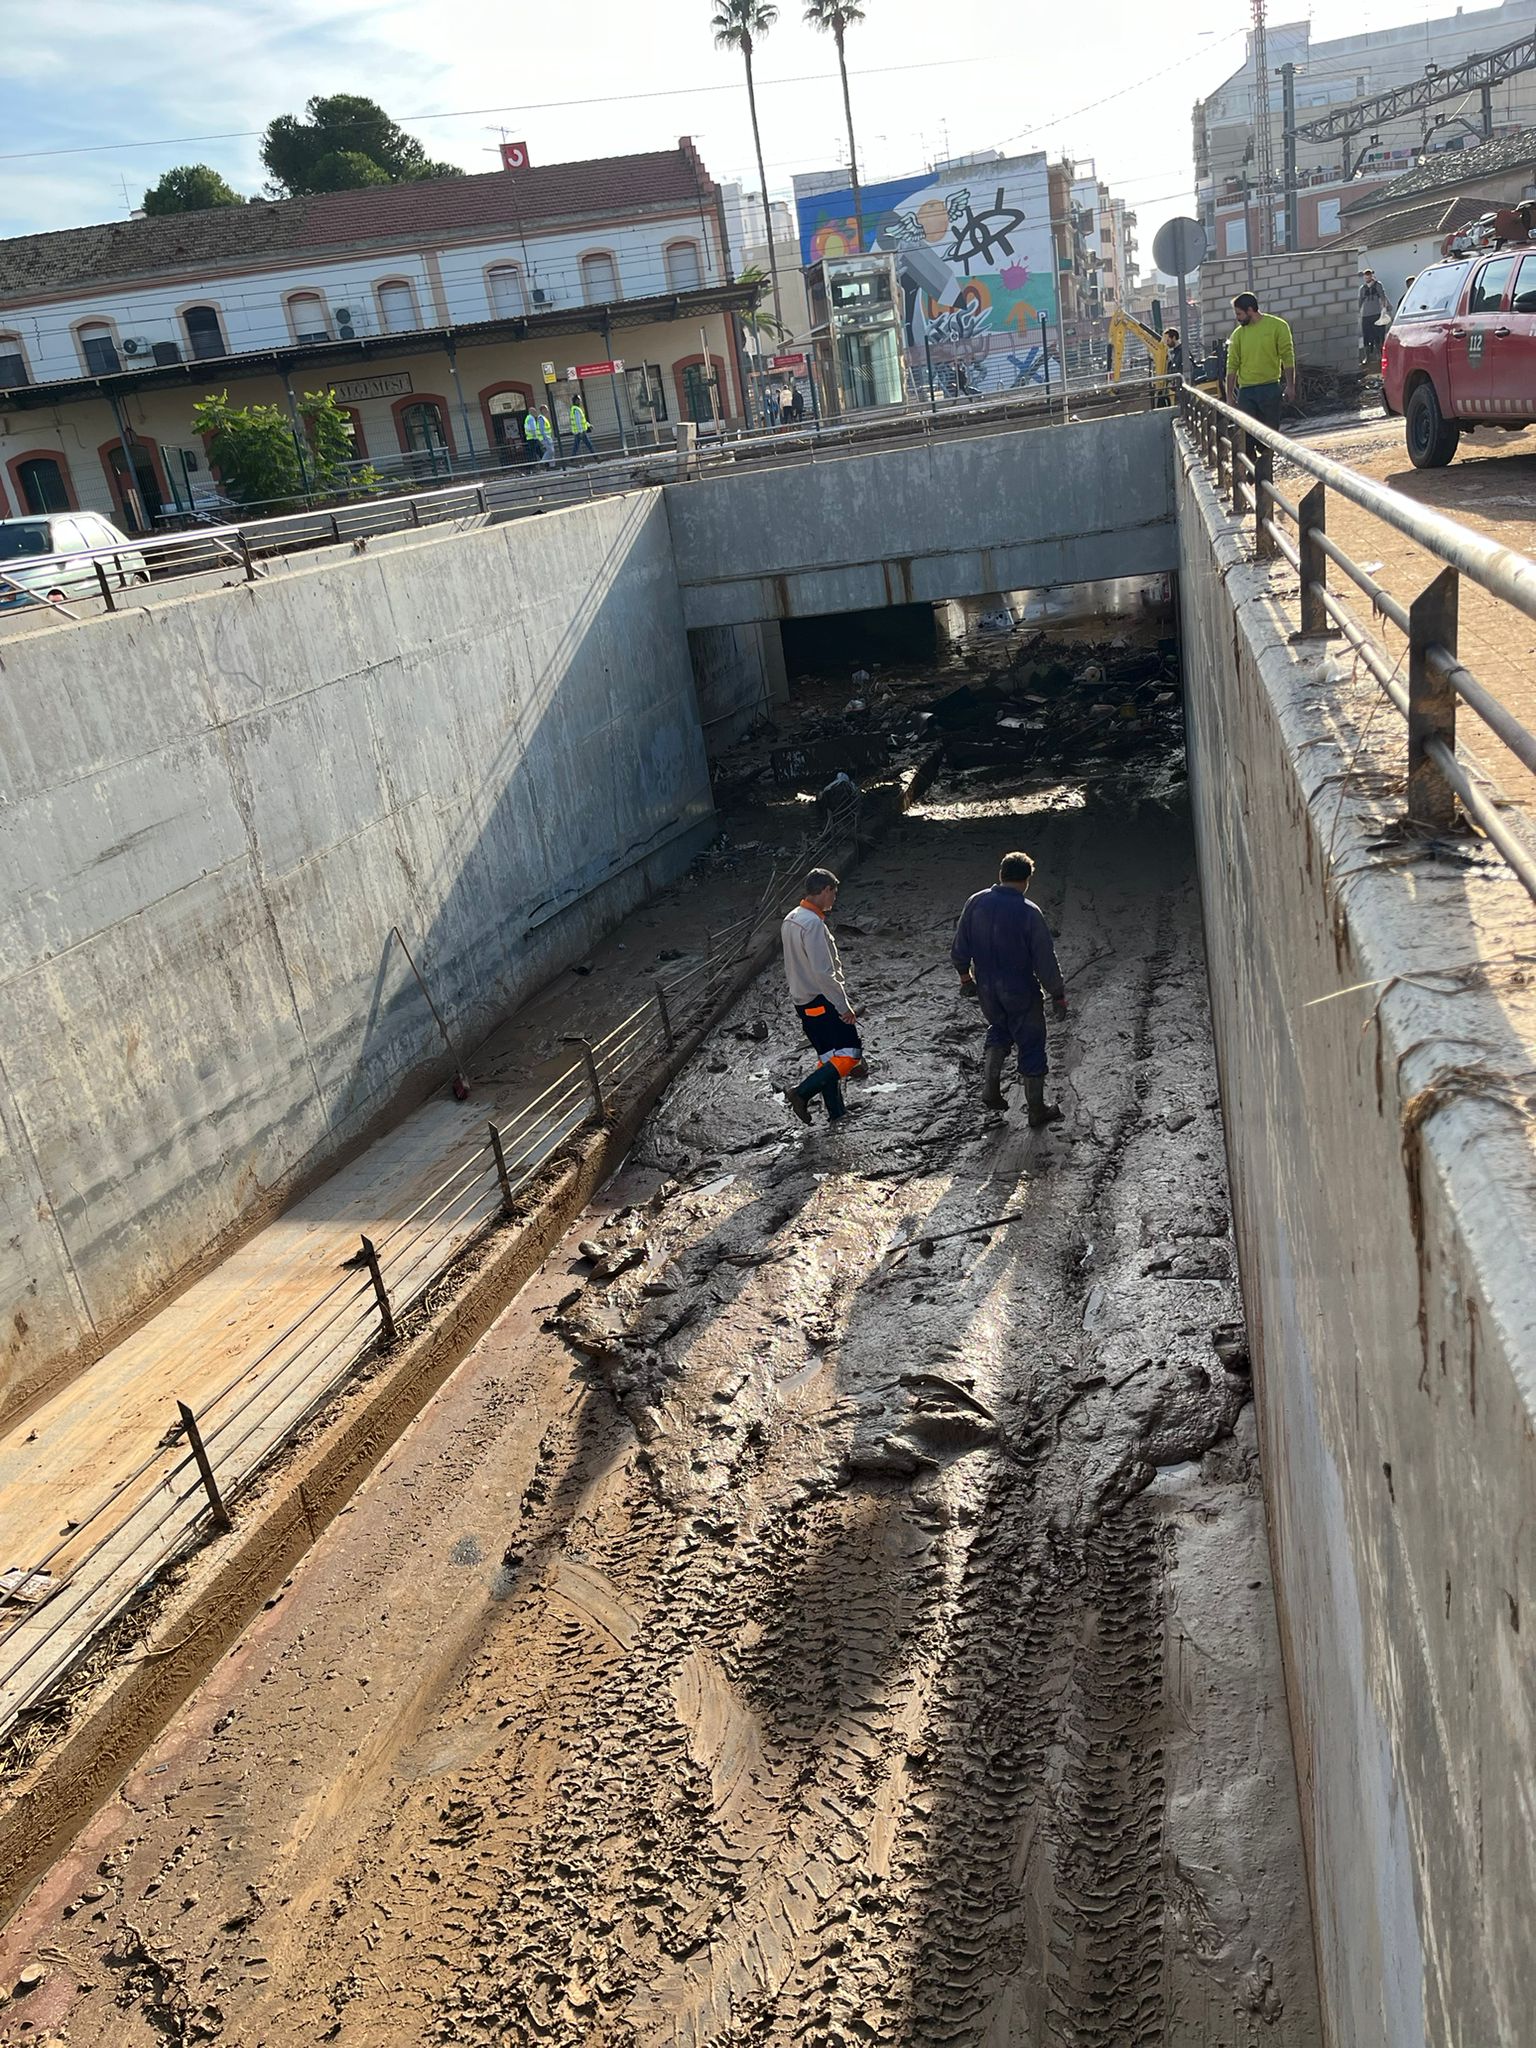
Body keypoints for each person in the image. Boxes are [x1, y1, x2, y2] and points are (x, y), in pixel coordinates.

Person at [951, 850, 1068, 1126]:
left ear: (1000, 875)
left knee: (1000, 1030)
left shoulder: (975, 903)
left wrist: (965, 979)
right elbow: (1044, 959)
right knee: (1031, 1042)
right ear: (1027, 880)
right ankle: (1037, 1109)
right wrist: (1057, 993)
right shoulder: (1029, 913)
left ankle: (990, 1087)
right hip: (1020, 989)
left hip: (987, 989)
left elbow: (960, 946)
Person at [781, 868, 865, 1125]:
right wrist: (844, 1006)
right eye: (834, 893)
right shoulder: (813, 924)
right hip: (821, 1000)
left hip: (802, 1000)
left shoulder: (791, 918)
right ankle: (801, 1093)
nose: (834, 899)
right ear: (825, 890)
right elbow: (823, 972)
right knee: (850, 1054)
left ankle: (837, 1113)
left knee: (829, 1057)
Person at [1224, 292, 1297, 445]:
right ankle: (1251, 467)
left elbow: (1287, 357)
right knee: (1246, 438)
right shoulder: (1237, 335)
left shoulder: (1278, 326)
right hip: (1246, 393)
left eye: (1239, 314)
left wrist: (1290, 386)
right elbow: (1232, 366)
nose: (1237, 318)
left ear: (1250, 310)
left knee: (1270, 437)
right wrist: (1229, 395)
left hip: (1270, 389)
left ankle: (1265, 466)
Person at [1358, 269, 1392, 365]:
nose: (1367, 277)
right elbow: (1360, 301)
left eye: (1369, 275)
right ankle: (1367, 356)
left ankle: (1380, 355)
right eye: (1365, 275)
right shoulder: (1363, 288)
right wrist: (1357, 311)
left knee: (1378, 336)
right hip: (1366, 315)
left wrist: (1384, 309)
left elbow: (1383, 297)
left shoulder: (1378, 285)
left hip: (1377, 314)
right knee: (1366, 337)